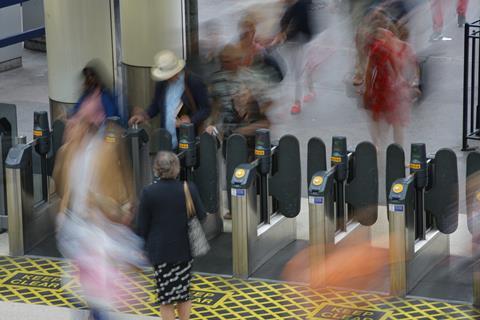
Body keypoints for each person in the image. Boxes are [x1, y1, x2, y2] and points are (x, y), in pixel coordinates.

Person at [54, 115, 143, 319]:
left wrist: (127, 203)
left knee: (95, 291)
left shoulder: (104, 150)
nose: (68, 131)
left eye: (73, 126)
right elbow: (62, 187)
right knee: (84, 290)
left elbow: (123, 173)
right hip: (77, 228)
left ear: (84, 128)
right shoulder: (67, 153)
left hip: (99, 227)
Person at [137, 151, 207, 320]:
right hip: (184, 250)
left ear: (156, 169)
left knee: (166, 298)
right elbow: (202, 215)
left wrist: (141, 247)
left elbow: (142, 226)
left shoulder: (149, 192)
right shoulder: (188, 188)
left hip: (160, 253)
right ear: (176, 168)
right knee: (183, 293)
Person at [128, 50, 211, 149]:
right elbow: (155, 106)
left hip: (187, 139)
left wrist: (191, 120)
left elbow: (206, 109)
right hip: (167, 140)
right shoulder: (162, 84)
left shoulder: (193, 81)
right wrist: (144, 116)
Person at [363, 23, 418, 148]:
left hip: (385, 91)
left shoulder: (380, 48)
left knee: (384, 122)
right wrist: (412, 83)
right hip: (395, 92)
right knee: (395, 124)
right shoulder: (404, 48)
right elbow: (414, 67)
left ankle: (379, 146)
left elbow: (369, 70)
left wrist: (368, 89)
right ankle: (395, 150)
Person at [272, 0, 313, 114]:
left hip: (299, 41)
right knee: (293, 70)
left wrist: (283, 36)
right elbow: (283, 22)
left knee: (297, 72)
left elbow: (299, 25)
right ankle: (297, 97)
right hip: (290, 42)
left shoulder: (301, 5)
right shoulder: (289, 5)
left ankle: (297, 102)